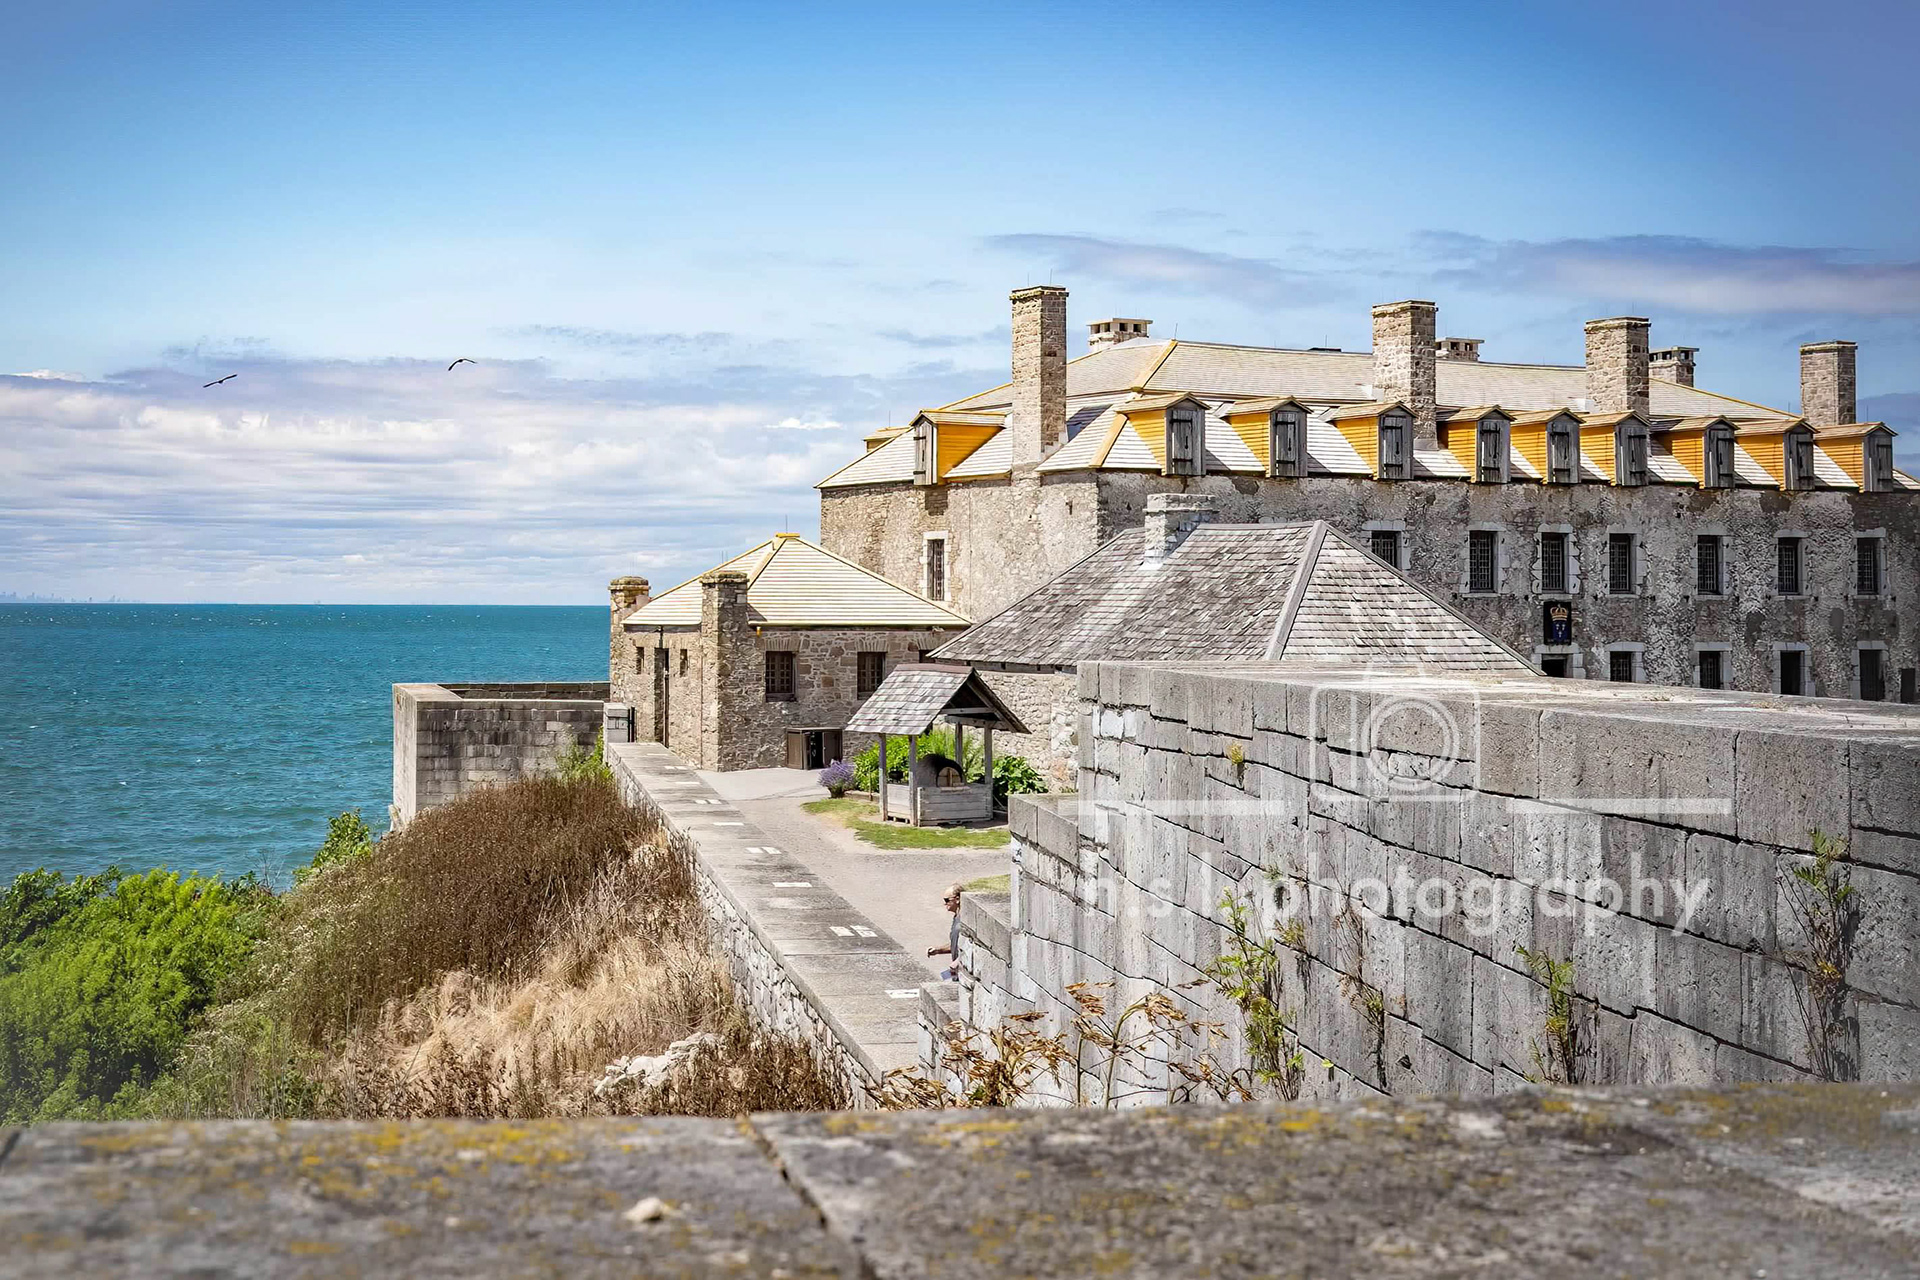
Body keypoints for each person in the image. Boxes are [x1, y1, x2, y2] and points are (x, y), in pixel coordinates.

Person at [926, 882, 963, 980]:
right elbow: (956, 944)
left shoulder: (965, 921)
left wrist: (959, 961)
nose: (944, 903)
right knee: (943, 978)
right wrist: (939, 950)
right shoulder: (956, 918)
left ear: (957, 899)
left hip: (963, 971)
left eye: (947, 900)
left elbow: (970, 947)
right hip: (956, 971)